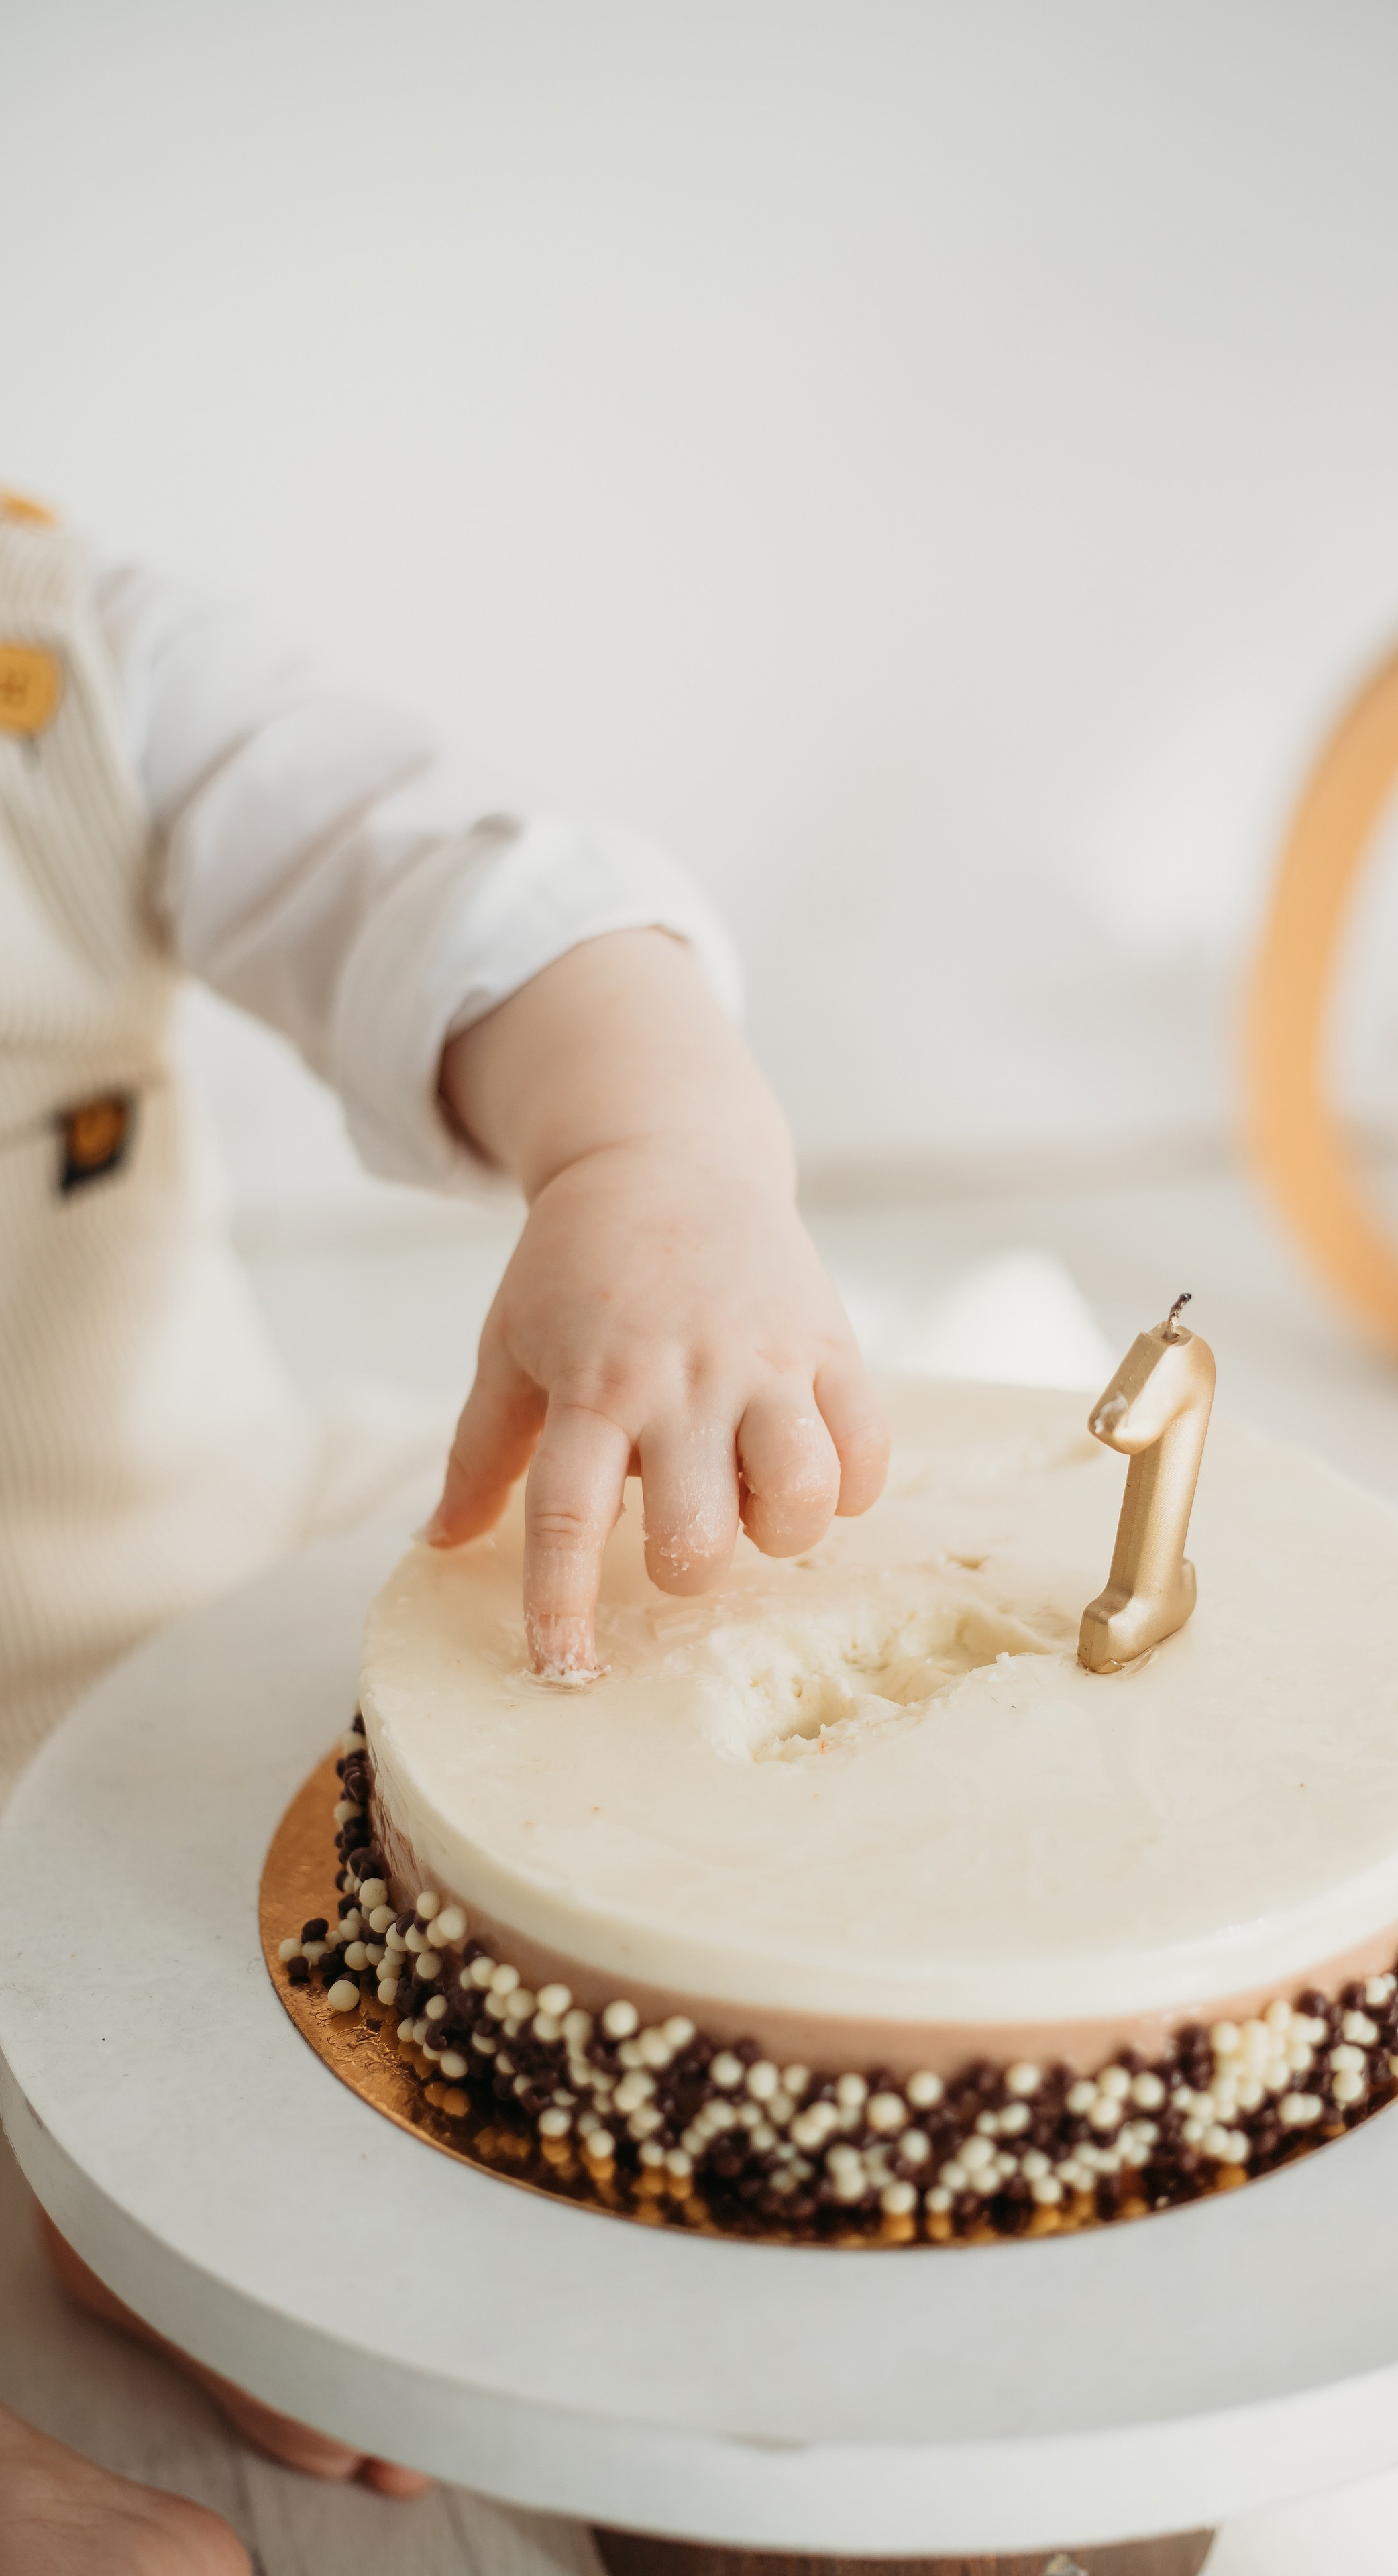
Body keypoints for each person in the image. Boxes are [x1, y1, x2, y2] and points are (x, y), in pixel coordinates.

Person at [0, 486, 888, 2570]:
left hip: (168, 1568)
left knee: (572, 1721)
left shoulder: (64, 658)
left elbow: (431, 870)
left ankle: (173, 2194)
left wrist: (649, 1143)